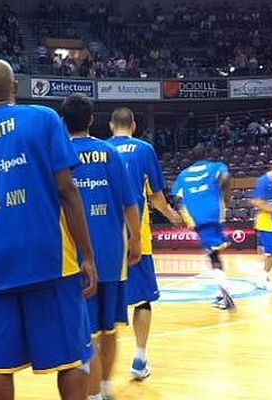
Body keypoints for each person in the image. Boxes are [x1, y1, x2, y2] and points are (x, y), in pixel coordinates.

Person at [0, 59, 97, 400]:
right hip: (52, 261)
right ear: (16, 89)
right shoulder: (44, 119)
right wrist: (87, 255)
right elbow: (68, 191)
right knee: (71, 359)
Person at [61, 93, 142, 400]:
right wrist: (135, 239)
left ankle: (92, 392)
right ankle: (104, 389)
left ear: (62, 121)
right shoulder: (109, 153)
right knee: (109, 329)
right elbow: (129, 204)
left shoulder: (58, 154)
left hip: (71, 258)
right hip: (110, 255)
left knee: (83, 333)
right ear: (92, 120)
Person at [107, 107, 181, 380]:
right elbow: (156, 197)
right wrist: (173, 216)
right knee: (143, 300)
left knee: (107, 302)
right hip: (138, 235)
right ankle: (139, 358)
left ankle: (100, 377)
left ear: (111, 125)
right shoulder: (144, 150)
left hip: (107, 236)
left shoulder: (100, 149)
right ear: (134, 126)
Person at [171, 144, 235, 311]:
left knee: (213, 256)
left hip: (198, 217)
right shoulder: (215, 167)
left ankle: (227, 296)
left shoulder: (183, 175)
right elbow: (225, 176)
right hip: (215, 213)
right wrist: (225, 198)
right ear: (207, 155)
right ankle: (223, 293)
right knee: (215, 254)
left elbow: (177, 200)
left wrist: (186, 217)